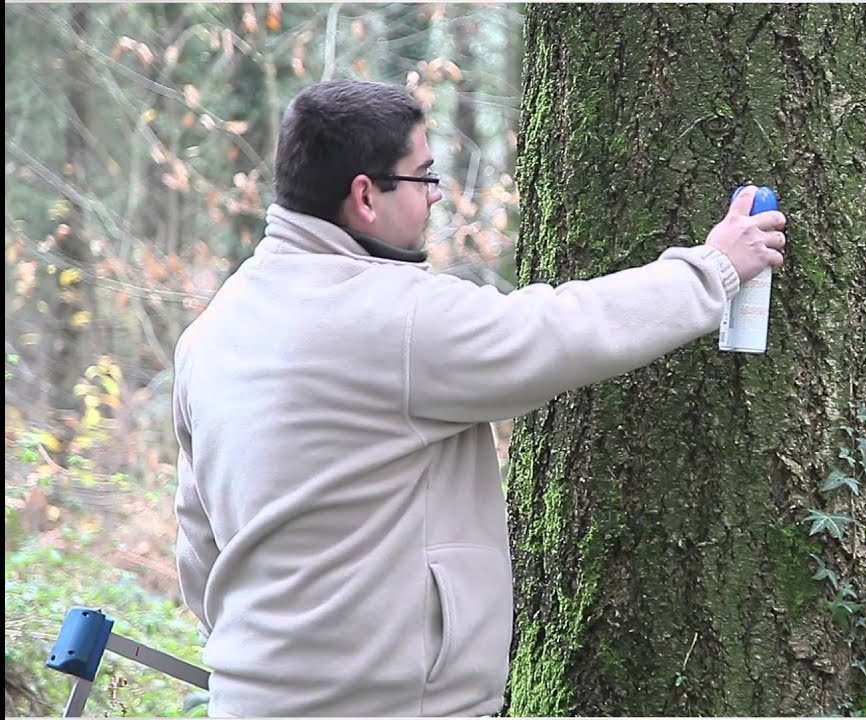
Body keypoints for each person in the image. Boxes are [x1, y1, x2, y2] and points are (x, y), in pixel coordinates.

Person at [172, 79, 786, 717]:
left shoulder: (209, 334)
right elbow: (562, 331)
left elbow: (198, 544)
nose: (436, 196)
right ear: (365, 196)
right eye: (423, 176)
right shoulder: (397, 319)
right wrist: (712, 269)